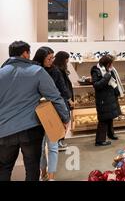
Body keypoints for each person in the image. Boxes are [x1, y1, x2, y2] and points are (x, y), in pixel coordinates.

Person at [0, 41, 69, 181]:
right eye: (29, 53)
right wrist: (65, 118)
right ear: (25, 53)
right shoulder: (37, 71)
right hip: (30, 129)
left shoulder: (1, 73)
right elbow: (55, 97)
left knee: (4, 168)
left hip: (4, 130)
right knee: (32, 169)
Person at [33, 47, 69, 181]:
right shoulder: (33, 71)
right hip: (36, 113)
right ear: (41, 58)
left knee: (53, 146)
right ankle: (43, 173)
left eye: (53, 58)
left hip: (52, 112)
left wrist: (64, 114)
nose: (51, 61)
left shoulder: (55, 71)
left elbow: (62, 92)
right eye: (49, 58)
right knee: (40, 148)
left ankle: (52, 176)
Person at [91, 55, 123, 146]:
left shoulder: (110, 70)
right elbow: (96, 85)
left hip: (110, 97)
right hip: (103, 99)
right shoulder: (96, 70)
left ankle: (110, 134)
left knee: (110, 117)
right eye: (111, 63)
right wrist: (107, 77)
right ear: (107, 63)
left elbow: (114, 82)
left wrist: (117, 93)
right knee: (103, 119)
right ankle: (100, 140)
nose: (112, 64)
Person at [52, 51, 74, 150]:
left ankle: (59, 141)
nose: (68, 61)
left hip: (60, 98)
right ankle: (59, 141)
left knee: (62, 120)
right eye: (66, 59)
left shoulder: (56, 69)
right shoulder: (58, 70)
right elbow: (62, 86)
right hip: (62, 99)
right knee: (64, 119)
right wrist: (69, 99)